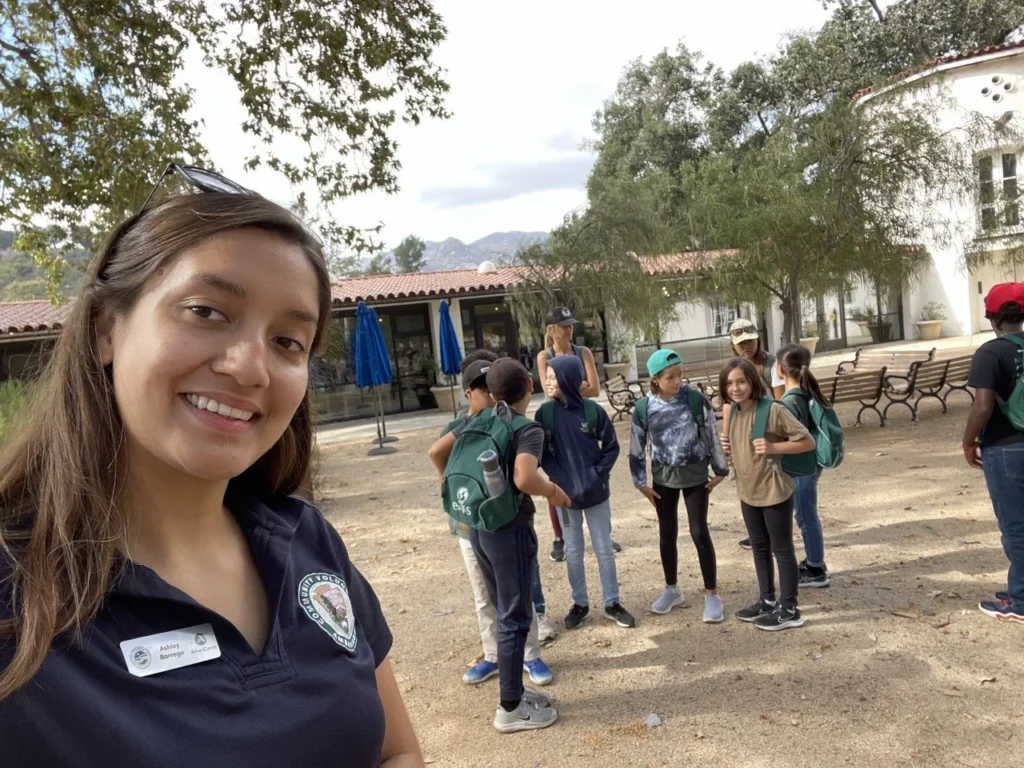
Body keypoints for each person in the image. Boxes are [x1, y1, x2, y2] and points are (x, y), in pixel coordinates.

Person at [0, 168, 422, 767]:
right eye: (206, 311)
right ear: (105, 330)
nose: (250, 367)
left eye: (288, 341)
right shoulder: (15, 589)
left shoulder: (308, 542)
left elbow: (395, 751)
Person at [431, 358, 567, 732]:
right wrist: (553, 492)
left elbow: (436, 451)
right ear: (529, 385)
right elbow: (524, 478)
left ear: (491, 394)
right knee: (515, 616)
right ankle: (510, 708)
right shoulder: (527, 428)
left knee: (503, 608)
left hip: (478, 526)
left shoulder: (476, 420)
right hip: (509, 529)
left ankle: (516, 693)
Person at [629, 349, 729, 623]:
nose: (677, 381)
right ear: (655, 379)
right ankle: (672, 589)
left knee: (699, 532)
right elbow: (636, 446)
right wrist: (640, 483)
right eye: (670, 377)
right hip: (663, 479)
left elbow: (711, 435)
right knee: (667, 532)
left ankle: (711, 594)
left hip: (695, 476)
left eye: (679, 375)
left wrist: (720, 470)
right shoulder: (644, 408)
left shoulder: (695, 400)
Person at [536, 357, 636, 630]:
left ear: (568, 379)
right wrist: (560, 481)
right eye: (547, 376)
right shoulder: (544, 414)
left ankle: (612, 603)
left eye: (553, 377)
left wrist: (596, 475)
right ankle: (579, 603)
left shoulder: (594, 412)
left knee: (604, 548)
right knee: (573, 550)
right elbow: (543, 454)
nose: (547, 382)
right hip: (564, 498)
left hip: (596, 494)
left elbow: (611, 447)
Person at [719, 358, 815, 631]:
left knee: (781, 550)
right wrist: (727, 445)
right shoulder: (732, 411)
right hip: (748, 491)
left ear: (752, 381)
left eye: (741, 381)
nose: (736, 388)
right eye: (729, 383)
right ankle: (767, 600)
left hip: (774, 490)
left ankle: (789, 610)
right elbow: (738, 448)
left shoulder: (772, 409)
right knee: (759, 547)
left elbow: (807, 441)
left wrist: (774, 448)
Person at [536, 307, 623, 562]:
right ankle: (560, 536)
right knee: (558, 477)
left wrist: (568, 387)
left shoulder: (583, 352)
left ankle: (602, 533)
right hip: (556, 418)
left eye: (571, 325)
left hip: (582, 415)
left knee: (592, 472)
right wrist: (574, 385)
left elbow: (595, 389)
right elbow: (550, 389)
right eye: (564, 326)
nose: (570, 329)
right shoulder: (545, 356)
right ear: (552, 330)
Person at [962, 283, 1024, 624]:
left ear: (991, 317)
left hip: (1005, 447)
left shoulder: (990, 353)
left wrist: (969, 440)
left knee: (1015, 528)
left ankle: (1020, 600)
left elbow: (983, 405)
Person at [775, 344, 832, 588]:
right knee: (807, 513)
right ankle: (815, 560)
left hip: (800, 466)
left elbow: (793, 438)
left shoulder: (789, 401)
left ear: (780, 369)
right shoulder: (809, 392)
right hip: (812, 463)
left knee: (805, 515)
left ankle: (815, 568)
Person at [726, 318, 785, 551]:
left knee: (771, 480)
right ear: (733, 345)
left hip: (768, 429)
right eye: (741, 343)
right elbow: (729, 403)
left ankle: (774, 533)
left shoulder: (770, 364)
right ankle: (757, 533)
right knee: (749, 479)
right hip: (743, 432)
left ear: (758, 340)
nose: (746, 347)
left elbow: (780, 400)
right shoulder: (733, 367)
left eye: (750, 341)